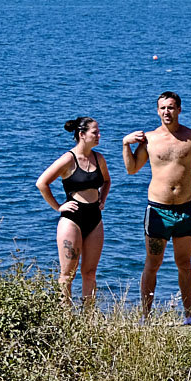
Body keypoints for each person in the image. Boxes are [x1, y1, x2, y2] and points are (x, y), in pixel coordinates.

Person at [122, 91, 191, 325]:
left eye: (171, 107)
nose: (167, 112)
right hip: (158, 210)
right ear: (157, 111)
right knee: (152, 263)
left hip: (185, 210)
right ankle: (145, 317)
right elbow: (132, 169)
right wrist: (125, 144)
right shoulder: (148, 139)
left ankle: (189, 315)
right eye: (162, 108)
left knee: (184, 263)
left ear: (179, 109)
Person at [36, 116, 111, 306]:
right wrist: (58, 206)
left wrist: (102, 199)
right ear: (82, 134)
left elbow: (107, 181)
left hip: (95, 219)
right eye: (95, 132)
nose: (99, 136)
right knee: (67, 274)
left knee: (90, 273)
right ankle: (66, 317)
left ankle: (88, 318)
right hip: (72, 219)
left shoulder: (98, 158)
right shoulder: (68, 159)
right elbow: (42, 183)